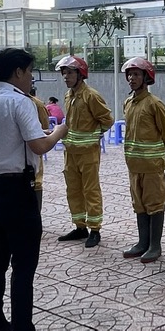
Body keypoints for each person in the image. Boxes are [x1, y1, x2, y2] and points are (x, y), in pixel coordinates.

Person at [0, 47, 69, 331]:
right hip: (16, 187)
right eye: (30, 71)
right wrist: (59, 131)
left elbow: (12, 139)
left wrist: (42, 133)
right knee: (24, 263)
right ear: (18, 72)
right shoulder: (20, 101)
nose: (31, 77)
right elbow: (39, 145)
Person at [54, 55, 113, 247]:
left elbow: (107, 120)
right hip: (70, 152)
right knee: (73, 190)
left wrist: (95, 135)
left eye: (69, 73)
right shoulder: (68, 96)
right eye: (64, 73)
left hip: (88, 152)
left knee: (90, 190)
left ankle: (95, 229)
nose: (66, 77)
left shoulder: (91, 96)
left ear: (80, 74)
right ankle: (80, 226)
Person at [120, 56, 165, 264]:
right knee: (139, 204)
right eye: (130, 75)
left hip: (151, 165)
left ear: (146, 77)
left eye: (136, 74)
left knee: (154, 203)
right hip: (134, 165)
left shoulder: (154, 103)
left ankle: (155, 245)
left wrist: (161, 151)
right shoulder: (128, 102)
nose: (132, 78)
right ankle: (143, 242)